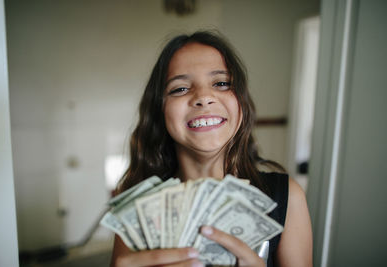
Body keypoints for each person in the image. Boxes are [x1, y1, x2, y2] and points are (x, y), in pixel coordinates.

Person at [111, 31, 312, 267]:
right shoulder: (139, 208)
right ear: (160, 110)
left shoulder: (288, 196)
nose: (204, 97)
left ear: (241, 103)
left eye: (221, 83)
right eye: (180, 88)